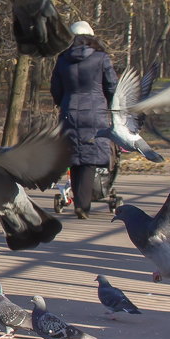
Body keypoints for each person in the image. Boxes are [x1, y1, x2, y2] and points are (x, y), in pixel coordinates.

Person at [49, 21, 117, 219]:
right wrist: (112, 105)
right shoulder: (101, 58)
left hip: (70, 110)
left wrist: (62, 102)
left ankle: (80, 202)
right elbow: (112, 85)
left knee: (75, 157)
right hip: (95, 113)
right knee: (88, 159)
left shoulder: (62, 59)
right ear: (91, 36)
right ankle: (83, 205)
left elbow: (55, 88)